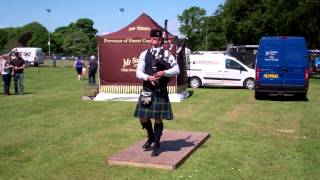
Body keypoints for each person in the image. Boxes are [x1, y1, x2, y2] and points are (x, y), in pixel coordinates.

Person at [134, 29, 180, 157]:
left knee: (158, 119)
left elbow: (177, 69)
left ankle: (157, 143)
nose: (154, 40)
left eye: (157, 39)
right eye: (153, 38)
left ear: (160, 40)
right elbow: (138, 72)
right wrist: (148, 77)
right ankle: (151, 136)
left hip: (160, 91)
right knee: (143, 116)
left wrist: (164, 73)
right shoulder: (144, 54)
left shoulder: (167, 54)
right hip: (147, 90)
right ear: (150, 39)